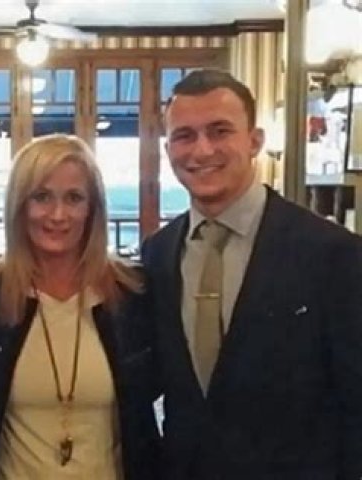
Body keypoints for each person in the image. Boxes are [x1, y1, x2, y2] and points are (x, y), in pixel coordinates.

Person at [141, 68, 362, 479]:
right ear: (168, 149)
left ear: (254, 140)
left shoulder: (332, 253)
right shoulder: (157, 254)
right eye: (184, 136)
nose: (202, 150)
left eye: (220, 131)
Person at [0, 134, 160, 480]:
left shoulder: (132, 293)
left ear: (93, 209)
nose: (57, 215)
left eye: (74, 198)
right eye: (41, 197)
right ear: (19, 206)